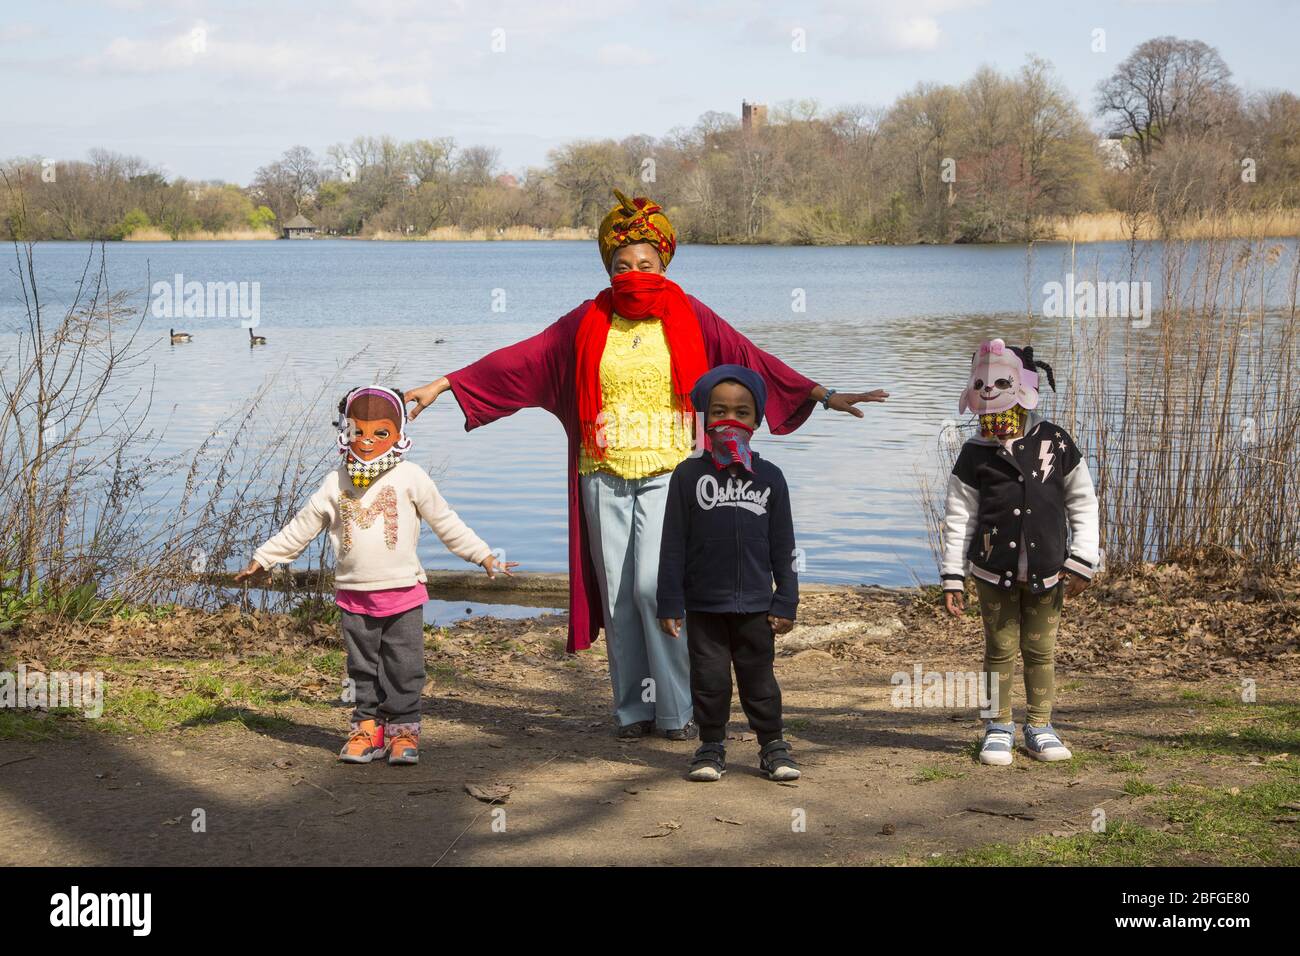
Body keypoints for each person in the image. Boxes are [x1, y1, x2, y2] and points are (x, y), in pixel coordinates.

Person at [404, 189, 887, 740]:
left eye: (646, 264)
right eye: (622, 265)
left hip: (673, 471)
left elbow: (750, 358)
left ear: (664, 263)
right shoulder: (588, 320)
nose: (634, 273)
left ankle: (678, 711)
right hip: (601, 469)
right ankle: (634, 709)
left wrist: (824, 394)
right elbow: (524, 358)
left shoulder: (690, 315)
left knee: (657, 589)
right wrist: (444, 384)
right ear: (609, 268)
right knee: (617, 594)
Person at [234, 385, 515, 765]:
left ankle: (403, 730)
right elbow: (302, 527)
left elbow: (446, 522)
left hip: (402, 593)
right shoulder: (336, 481)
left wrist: (482, 555)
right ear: (345, 431)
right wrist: (264, 558)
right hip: (354, 595)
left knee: (404, 666)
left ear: (398, 434)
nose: (366, 442)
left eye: (380, 433)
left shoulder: (411, 476)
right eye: (357, 432)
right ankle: (367, 728)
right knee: (361, 668)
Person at [940, 339, 1099, 765]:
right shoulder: (975, 454)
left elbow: (1083, 502)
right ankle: (998, 724)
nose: (996, 425)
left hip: (1049, 572)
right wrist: (953, 575)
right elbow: (960, 518)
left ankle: (1040, 724)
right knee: (999, 649)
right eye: (987, 418)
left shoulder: (1056, 444)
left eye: (1003, 416)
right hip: (993, 573)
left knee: (1041, 650)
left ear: (1024, 398)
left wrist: (1083, 558)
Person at [657, 365, 801, 782]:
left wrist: (785, 599)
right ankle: (710, 745)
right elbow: (672, 545)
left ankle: (772, 744)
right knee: (709, 679)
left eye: (742, 412)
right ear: (703, 419)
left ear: (757, 420)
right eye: (719, 412)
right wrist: (670, 601)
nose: (730, 421)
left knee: (760, 680)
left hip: (757, 605)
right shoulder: (687, 476)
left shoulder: (771, 477)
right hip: (704, 605)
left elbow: (784, 547)